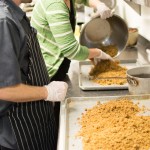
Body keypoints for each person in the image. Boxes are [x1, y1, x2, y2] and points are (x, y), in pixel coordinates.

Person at [31, 0, 114, 141]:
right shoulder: (54, 4)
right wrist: (98, 53)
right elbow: (71, 50)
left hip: (59, 66)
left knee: (55, 119)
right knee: (48, 128)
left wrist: (98, 4)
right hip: (48, 71)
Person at [0, 0, 68, 150]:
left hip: (36, 122)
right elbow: (4, 89)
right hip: (19, 131)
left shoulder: (16, 14)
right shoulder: (4, 21)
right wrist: (47, 92)